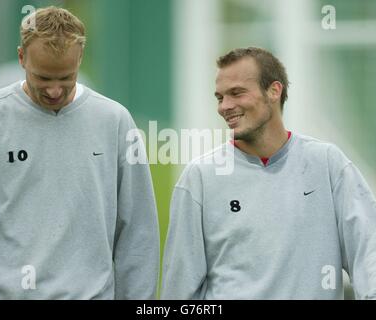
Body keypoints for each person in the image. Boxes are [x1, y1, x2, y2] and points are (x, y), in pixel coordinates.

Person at [161, 47, 376, 299]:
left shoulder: (327, 164)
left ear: (274, 91)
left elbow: (368, 253)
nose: (225, 107)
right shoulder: (199, 178)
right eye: (220, 98)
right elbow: (180, 288)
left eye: (236, 93)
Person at [0, 6, 159, 299]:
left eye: (66, 78)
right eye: (43, 78)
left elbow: (138, 230)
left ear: (79, 59)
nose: (54, 91)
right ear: (21, 58)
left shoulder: (114, 121)